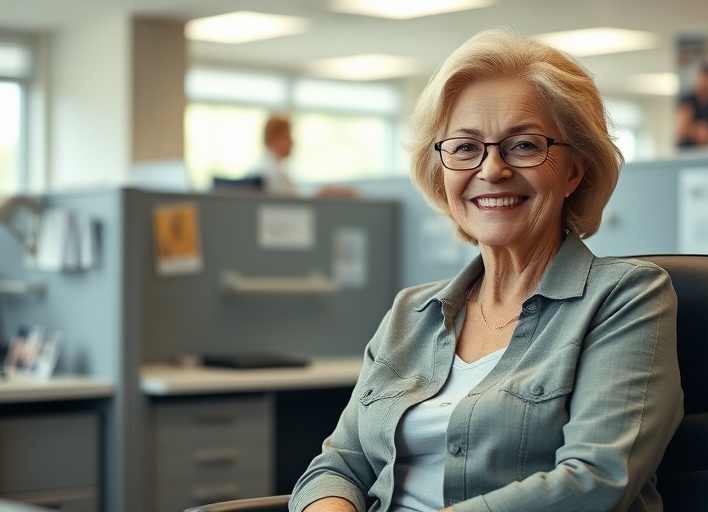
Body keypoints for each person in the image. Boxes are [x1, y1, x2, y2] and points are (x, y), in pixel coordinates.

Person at [290, 27, 682, 512]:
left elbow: (597, 481)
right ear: (442, 170)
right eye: (465, 147)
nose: (491, 170)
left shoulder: (626, 298)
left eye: (522, 145)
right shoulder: (413, 312)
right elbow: (340, 465)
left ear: (574, 171)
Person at [257, 114, 298, 196]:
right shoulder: (272, 173)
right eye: (288, 136)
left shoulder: (271, 168)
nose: (292, 142)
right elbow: (292, 205)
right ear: (273, 138)